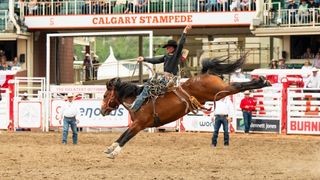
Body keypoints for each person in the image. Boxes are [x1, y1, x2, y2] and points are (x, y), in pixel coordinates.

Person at [127, 25, 192, 112]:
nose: (167, 49)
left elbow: (181, 44)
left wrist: (185, 31)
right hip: (165, 78)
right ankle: (141, 105)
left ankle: (135, 106)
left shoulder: (176, 55)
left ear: (173, 48)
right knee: (149, 85)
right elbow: (156, 60)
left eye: (168, 47)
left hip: (169, 79)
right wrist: (144, 59)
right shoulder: (166, 56)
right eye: (167, 48)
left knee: (148, 86)